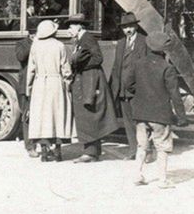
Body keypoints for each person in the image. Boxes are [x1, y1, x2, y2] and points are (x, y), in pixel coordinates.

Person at [127, 31, 188, 188]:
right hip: (160, 114)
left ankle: (137, 175)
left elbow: (128, 85)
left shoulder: (138, 64)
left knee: (142, 145)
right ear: (164, 49)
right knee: (162, 147)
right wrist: (182, 117)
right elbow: (175, 95)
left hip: (140, 113)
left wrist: (139, 96)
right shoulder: (167, 68)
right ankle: (162, 180)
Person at [67, 14, 119, 163]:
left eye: (71, 26)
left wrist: (79, 62)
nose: (69, 30)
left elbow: (98, 58)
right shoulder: (82, 39)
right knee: (88, 114)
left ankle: (90, 152)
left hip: (89, 80)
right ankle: (92, 151)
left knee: (88, 113)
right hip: (86, 80)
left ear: (79, 26)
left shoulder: (87, 38)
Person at [26, 20, 74, 161]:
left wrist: (29, 89)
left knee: (42, 117)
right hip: (56, 83)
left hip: (40, 83)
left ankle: (44, 151)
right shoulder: (60, 46)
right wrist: (68, 82)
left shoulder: (35, 47)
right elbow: (65, 68)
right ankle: (58, 150)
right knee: (57, 116)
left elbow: (31, 69)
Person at [109, 12, 148, 159]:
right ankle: (133, 150)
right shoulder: (120, 43)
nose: (128, 30)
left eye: (130, 26)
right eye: (125, 27)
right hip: (123, 90)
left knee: (142, 121)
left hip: (138, 89)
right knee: (128, 122)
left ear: (136, 26)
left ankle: (146, 151)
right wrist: (115, 88)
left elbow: (147, 65)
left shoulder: (144, 41)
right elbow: (116, 67)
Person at [15, 19, 39, 158]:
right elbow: (21, 56)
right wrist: (33, 44)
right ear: (31, 34)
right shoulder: (22, 44)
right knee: (27, 115)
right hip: (26, 84)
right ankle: (30, 146)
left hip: (40, 83)